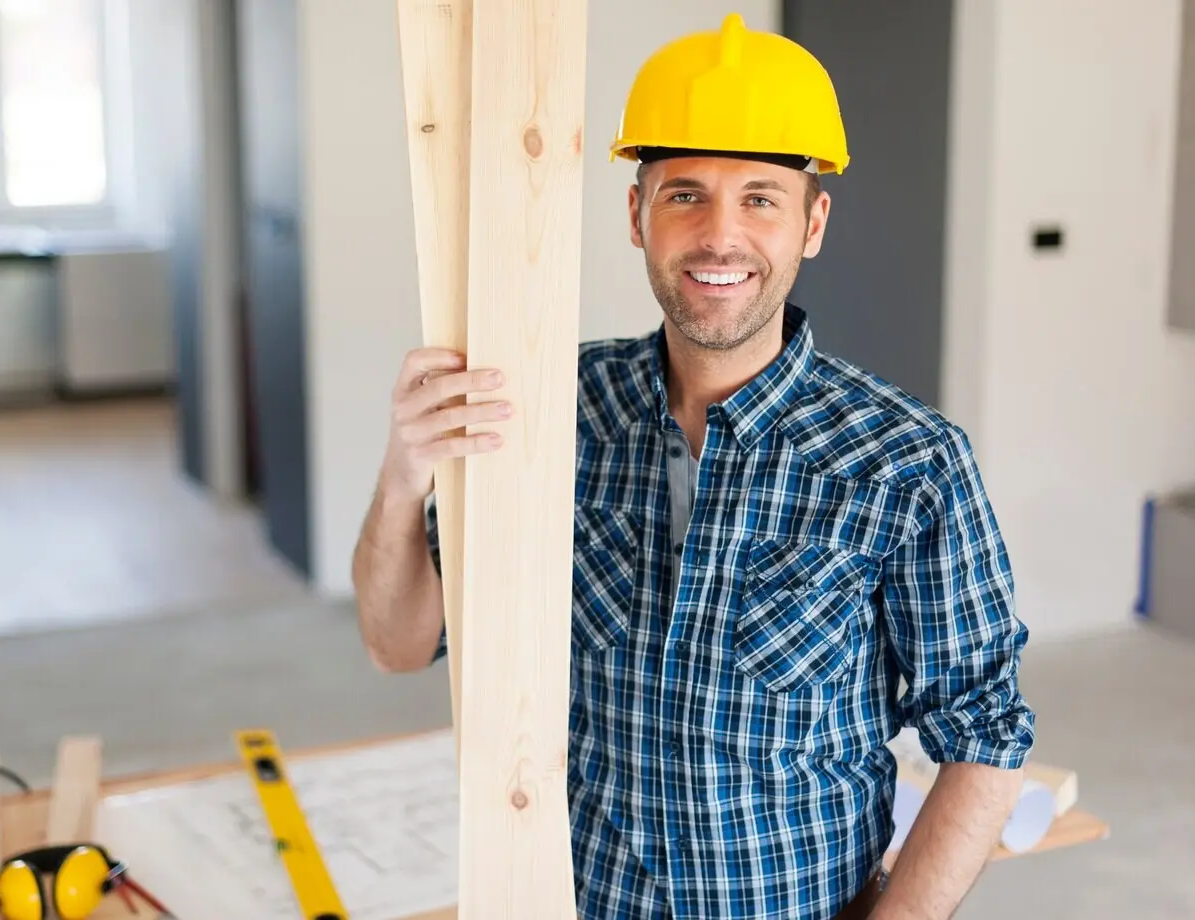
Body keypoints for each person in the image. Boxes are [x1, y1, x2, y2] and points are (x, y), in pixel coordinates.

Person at [351, 13, 1035, 920]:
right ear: (636, 214)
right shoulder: (552, 409)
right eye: (684, 195)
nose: (720, 236)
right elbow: (399, 645)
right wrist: (406, 474)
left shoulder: (908, 464)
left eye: (760, 197)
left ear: (812, 223)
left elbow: (984, 736)